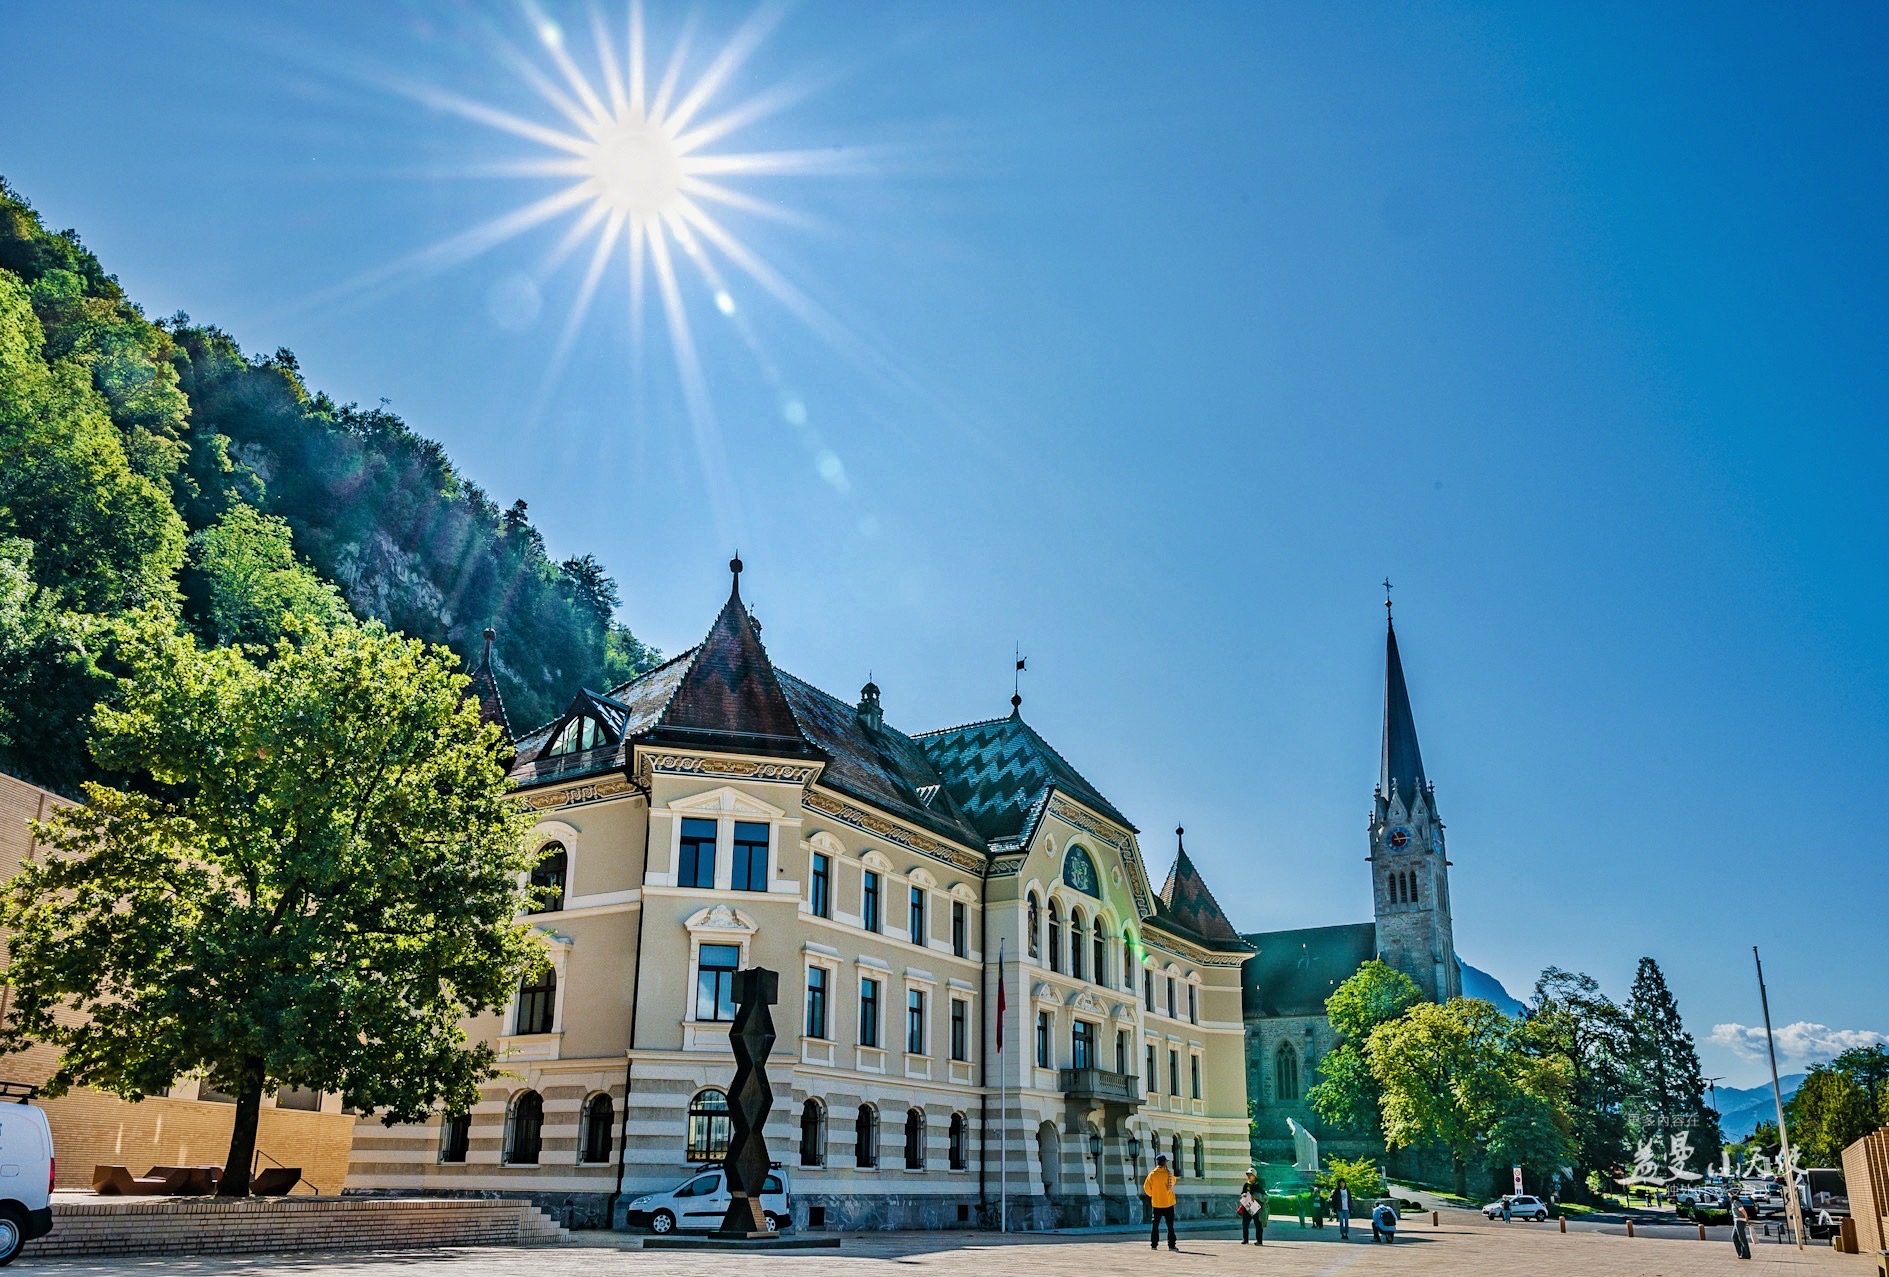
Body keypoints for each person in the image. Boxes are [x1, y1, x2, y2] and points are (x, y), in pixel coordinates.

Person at [1144, 1154, 1178, 1251]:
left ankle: (1154, 1245)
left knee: (1155, 1225)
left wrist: (1153, 1195)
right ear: (1164, 1163)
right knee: (1170, 1225)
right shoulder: (1169, 1174)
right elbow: (1174, 1182)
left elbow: (1146, 1188)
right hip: (1168, 1203)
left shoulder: (1152, 1174)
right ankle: (1171, 1245)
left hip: (1157, 1203)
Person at [1237, 1171, 1269, 1245]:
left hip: (1256, 1208)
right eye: (1248, 1175)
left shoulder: (1258, 1185)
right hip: (1247, 1206)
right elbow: (1242, 1193)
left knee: (1258, 1224)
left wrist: (1256, 1197)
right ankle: (1245, 1240)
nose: (1248, 1176)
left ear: (1254, 1176)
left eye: (1250, 1175)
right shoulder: (1246, 1184)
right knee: (1245, 1224)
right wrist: (1243, 1195)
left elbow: (1265, 1197)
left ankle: (1259, 1241)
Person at [1730, 1194, 1753, 1261]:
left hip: (1740, 1221)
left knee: (1742, 1238)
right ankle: (1741, 1253)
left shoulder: (1736, 1202)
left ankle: (1746, 1254)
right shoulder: (1734, 1203)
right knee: (1734, 1237)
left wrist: (1747, 1219)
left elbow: (1743, 1211)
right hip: (1737, 1221)